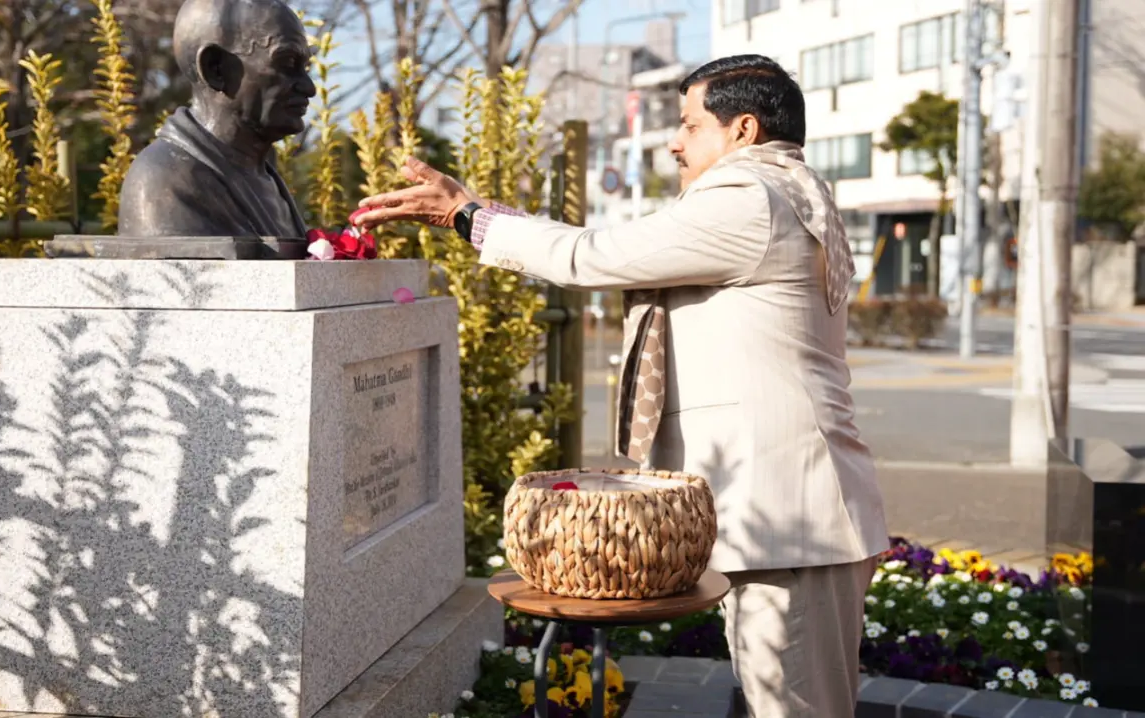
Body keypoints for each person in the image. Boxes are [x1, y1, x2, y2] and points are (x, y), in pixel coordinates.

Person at [353, 54, 889, 717]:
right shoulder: (789, 190)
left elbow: (594, 255)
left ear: (743, 129)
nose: (674, 142)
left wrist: (469, 217)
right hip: (793, 510)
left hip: (790, 516)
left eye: (691, 126)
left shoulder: (751, 197)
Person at [118, 0, 315, 238]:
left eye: (306, 67)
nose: (309, 87)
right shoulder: (164, 179)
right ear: (216, 69)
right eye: (287, 63)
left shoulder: (264, 177)